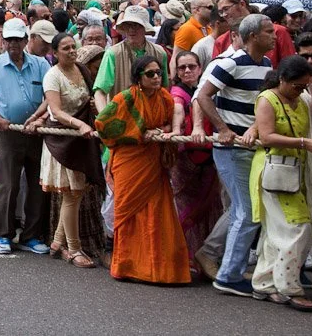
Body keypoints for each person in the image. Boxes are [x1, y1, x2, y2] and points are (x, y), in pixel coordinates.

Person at [196, 12, 275, 298]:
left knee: (248, 210)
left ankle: (232, 270)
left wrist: (255, 127)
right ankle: (229, 275)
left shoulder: (266, 64)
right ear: (253, 36)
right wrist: (222, 128)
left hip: (251, 146)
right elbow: (203, 95)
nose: (275, 36)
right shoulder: (229, 63)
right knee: (246, 211)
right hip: (230, 149)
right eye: (269, 32)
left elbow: (261, 104)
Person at [94, 54, 189, 285]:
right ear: (138, 78)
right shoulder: (124, 99)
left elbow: (169, 123)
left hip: (153, 164)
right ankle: (128, 266)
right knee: (128, 214)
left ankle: (160, 269)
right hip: (129, 162)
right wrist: (141, 134)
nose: (156, 77)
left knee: (157, 214)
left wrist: (162, 129)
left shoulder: (165, 98)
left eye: (159, 73)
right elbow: (103, 125)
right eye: (150, 74)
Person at [249, 56, 312, 310]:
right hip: (274, 173)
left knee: (277, 233)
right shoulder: (267, 99)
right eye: (296, 86)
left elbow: (310, 128)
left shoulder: (303, 100)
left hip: (299, 172)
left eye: (304, 87)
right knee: (297, 230)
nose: (301, 91)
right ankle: (289, 287)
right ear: (282, 80)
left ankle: (264, 284)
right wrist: (305, 144)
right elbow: (268, 136)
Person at [0, 18, 50, 255]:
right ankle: (4, 235)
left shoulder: (41, 64)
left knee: (38, 184)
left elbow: (50, 95)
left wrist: (39, 118)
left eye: (18, 39)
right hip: (5, 133)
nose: (13, 44)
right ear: (4, 41)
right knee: (8, 184)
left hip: (37, 132)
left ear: (26, 40)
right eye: (9, 40)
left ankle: (31, 235)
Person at [39, 31, 102, 268]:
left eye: (73, 47)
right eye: (65, 48)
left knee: (77, 191)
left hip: (81, 137)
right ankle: (74, 249)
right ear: (54, 53)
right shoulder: (52, 76)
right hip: (62, 139)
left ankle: (57, 242)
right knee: (72, 193)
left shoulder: (82, 70)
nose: (72, 51)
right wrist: (79, 123)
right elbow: (56, 110)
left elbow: (90, 98)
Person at [167, 49, 221, 280]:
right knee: (185, 209)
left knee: (209, 208)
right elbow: (177, 110)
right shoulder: (177, 94)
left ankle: (204, 257)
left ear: (200, 68)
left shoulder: (209, 91)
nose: (187, 71)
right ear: (176, 72)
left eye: (192, 66)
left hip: (210, 157)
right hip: (186, 159)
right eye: (182, 68)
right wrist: (178, 131)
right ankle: (182, 260)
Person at [92, 6, 168, 113]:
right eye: (128, 25)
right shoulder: (113, 53)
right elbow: (100, 91)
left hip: (152, 115)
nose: (131, 29)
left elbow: (164, 88)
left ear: (145, 28)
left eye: (136, 25)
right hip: (122, 116)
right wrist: (105, 119)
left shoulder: (159, 52)